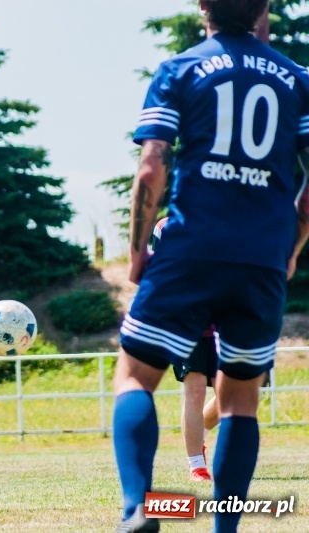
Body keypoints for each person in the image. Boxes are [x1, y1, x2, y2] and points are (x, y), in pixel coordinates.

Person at [112, 1, 309, 532]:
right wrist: (289, 247)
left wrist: (136, 251)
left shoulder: (180, 69)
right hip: (261, 259)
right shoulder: (297, 79)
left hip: (191, 248)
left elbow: (152, 166)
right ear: (264, 8)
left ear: (203, 6)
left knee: (134, 374)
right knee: (240, 398)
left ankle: (137, 508)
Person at [153, 217, 217, 482]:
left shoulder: (231, 221)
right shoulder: (166, 227)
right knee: (196, 388)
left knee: (234, 393)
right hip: (185, 324)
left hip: (225, 321)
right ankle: (197, 466)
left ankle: (198, 432)